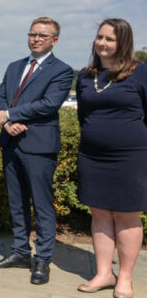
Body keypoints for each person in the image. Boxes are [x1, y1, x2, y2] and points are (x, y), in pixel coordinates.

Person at [0, 18, 73, 285]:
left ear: (54, 41)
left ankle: (43, 259)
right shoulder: (14, 67)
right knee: (17, 202)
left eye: (43, 36)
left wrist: (11, 115)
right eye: (33, 34)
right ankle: (21, 252)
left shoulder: (61, 70)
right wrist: (9, 121)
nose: (36, 39)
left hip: (38, 145)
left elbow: (49, 104)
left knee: (42, 205)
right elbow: (0, 97)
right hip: (11, 142)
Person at [75, 19, 146, 298]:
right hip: (92, 155)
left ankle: (125, 278)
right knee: (100, 213)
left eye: (110, 39)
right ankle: (103, 273)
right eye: (100, 37)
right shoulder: (85, 75)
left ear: (123, 42)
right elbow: (83, 115)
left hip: (131, 157)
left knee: (127, 216)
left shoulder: (141, 73)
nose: (102, 43)